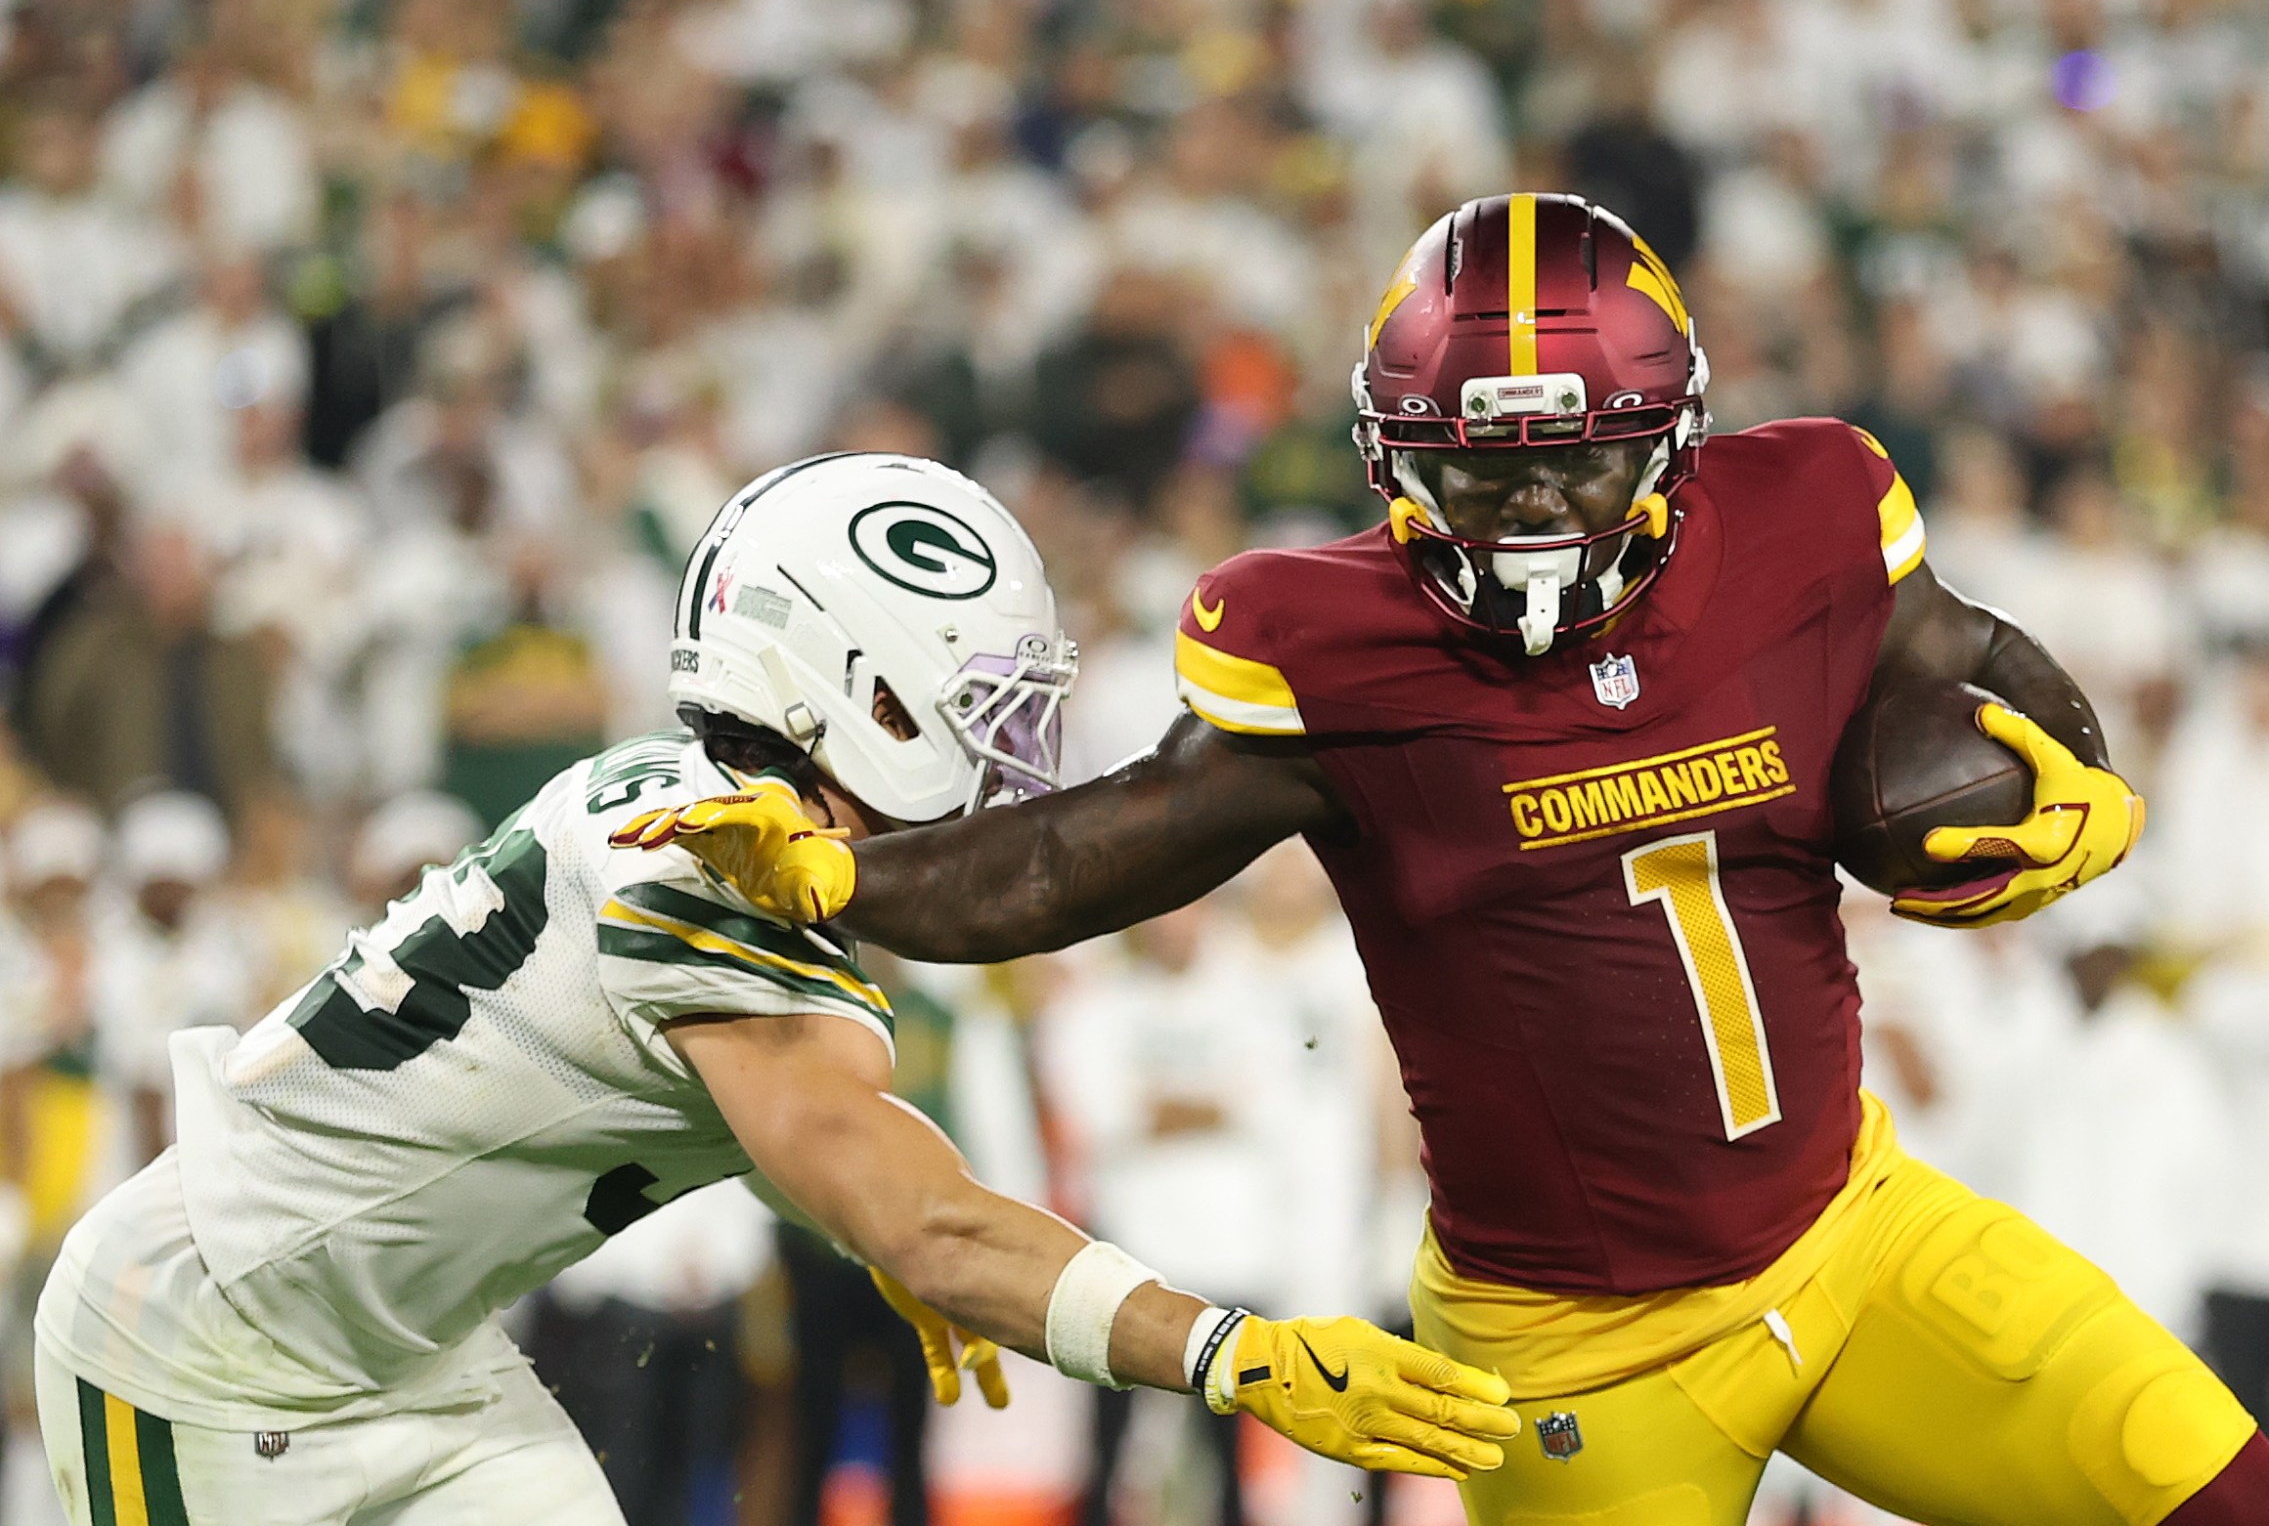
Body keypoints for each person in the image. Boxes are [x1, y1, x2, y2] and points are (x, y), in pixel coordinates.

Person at [625, 196, 2269, 1526]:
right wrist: (843, 885)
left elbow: (1961, 641)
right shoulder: (1327, 649)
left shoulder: (1805, 522)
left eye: (1573, 460)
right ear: (1386, 451)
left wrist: (2090, 778)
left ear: (1670, 437)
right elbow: (1087, 855)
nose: (1525, 516)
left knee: (2243, 1502)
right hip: (1580, 1345)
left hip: (1863, 1235)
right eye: (1472, 466)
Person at [32, 454, 1516, 1526]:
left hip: (401, 1349)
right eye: (979, 701)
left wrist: (862, 1211)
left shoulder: (696, 810)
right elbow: (931, 1222)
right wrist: (1229, 1350)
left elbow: (703, 1088)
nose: (1009, 757)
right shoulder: (708, 872)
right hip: (206, 1346)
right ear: (854, 691)